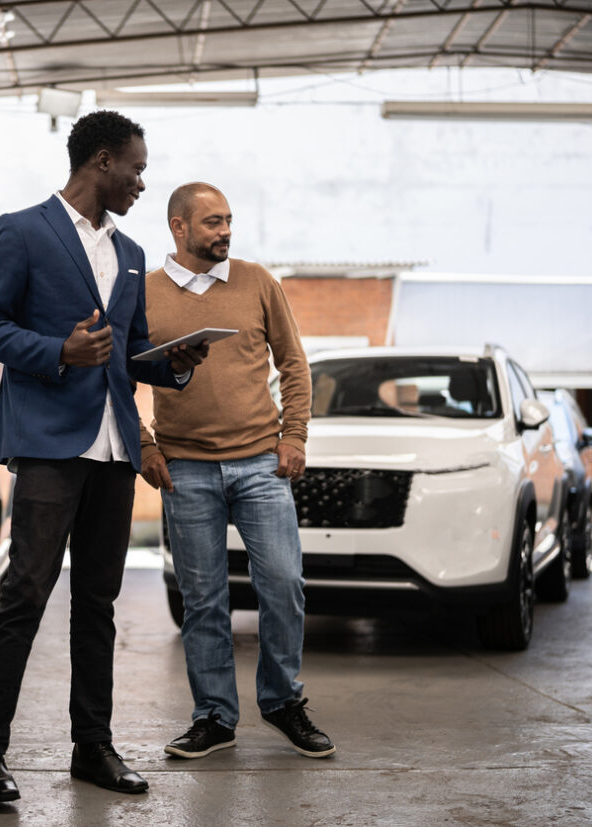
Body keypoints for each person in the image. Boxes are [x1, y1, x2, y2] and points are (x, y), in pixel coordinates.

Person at [0, 111, 207, 807]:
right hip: (48, 439)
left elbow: (126, 349)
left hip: (112, 447)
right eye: (135, 167)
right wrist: (57, 351)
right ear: (101, 161)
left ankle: (92, 746)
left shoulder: (130, 251)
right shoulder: (23, 229)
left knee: (97, 603)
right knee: (26, 595)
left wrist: (173, 362)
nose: (141, 181)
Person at [140, 182, 336, 762]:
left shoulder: (257, 281)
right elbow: (119, 380)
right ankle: (215, 718)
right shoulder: (145, 294)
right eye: (211, 223)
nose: (225, 231)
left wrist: (294, 434)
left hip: (258, 463)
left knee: (284, 584)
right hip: (185, 470)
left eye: (228, 220)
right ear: (179, 228)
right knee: (203, 599)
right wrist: (145, 446)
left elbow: (293, 362)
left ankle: (281, 702)